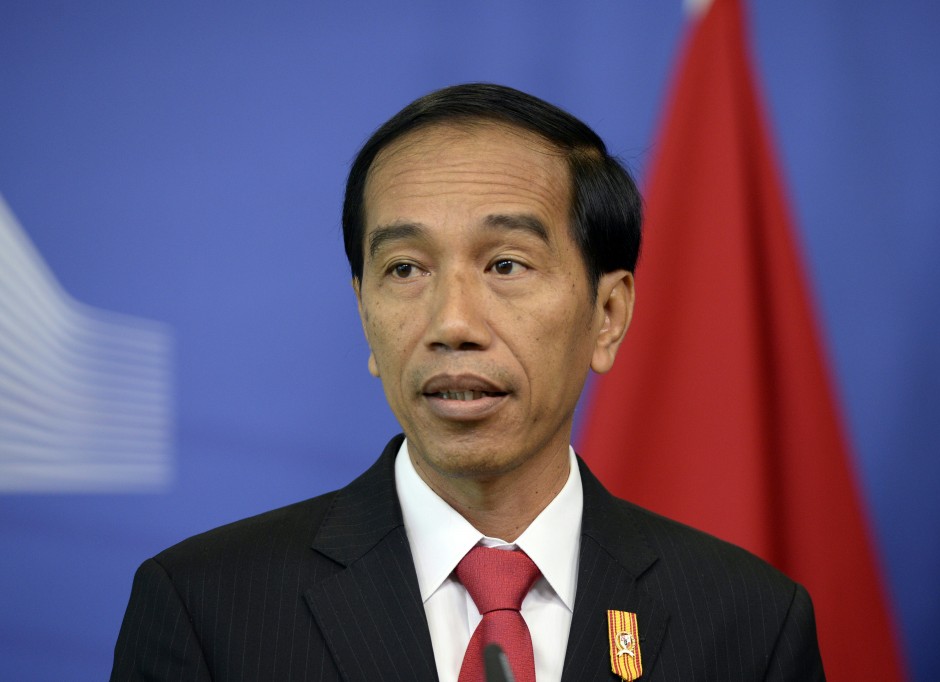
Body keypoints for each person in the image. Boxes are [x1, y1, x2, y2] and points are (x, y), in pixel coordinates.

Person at [111, 83, 825, 681]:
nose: (453, 322)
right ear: (365, 314)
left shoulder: (748, 623)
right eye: (405, 269)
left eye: (506, 265)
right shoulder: (207, 607)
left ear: (607, 316)